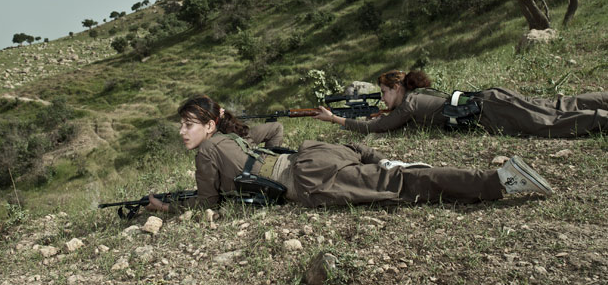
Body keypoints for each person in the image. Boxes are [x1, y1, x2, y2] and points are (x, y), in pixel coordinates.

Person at [146, 95, 552, 213]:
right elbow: (276, 131)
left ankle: (500, 182)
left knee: (402, 187)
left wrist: (166, 208)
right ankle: (381, 159)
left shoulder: (205, 155)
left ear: (209, 125)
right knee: (385, 168)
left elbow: (206, 203)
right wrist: (264, 160)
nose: (183, 132)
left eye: (189, 124)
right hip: (313, 153)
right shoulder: (236, 135)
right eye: (181, 124)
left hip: (308, 179)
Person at [311, 70, 608, 137]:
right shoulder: (414, 98)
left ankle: (601, 119)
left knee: (550, 122)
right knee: (559, 103)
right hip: (490, 99)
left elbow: (376, 128)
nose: (382, 98)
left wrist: (335, 119)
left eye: (384, 92)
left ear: (397, 88)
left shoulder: (409, 106)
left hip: (491, 112)